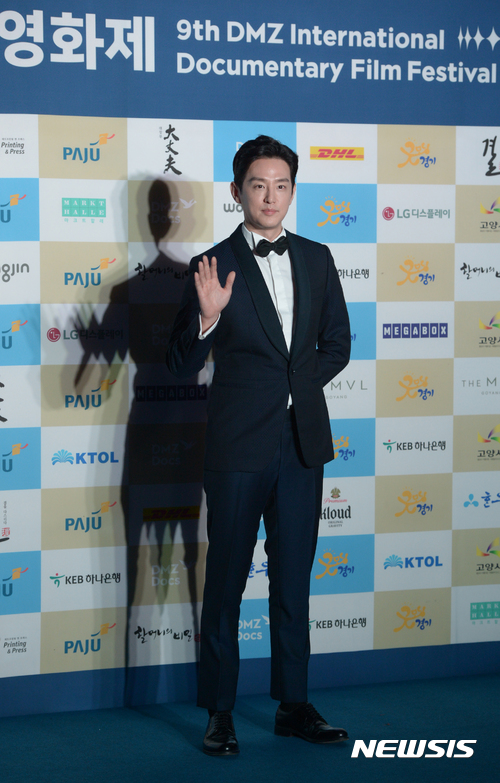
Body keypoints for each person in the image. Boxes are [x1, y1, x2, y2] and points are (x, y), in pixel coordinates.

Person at [166, 135, 351, 756]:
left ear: (293, 191)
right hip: (238, 448)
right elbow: (179, 362)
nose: (271, 197)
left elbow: (337, 344)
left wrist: (297, 387)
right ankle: (220, 713)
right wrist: (208, 317)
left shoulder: (318, 258)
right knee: (225, 584)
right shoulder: (211, 264)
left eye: (282, 185)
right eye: (258, 185)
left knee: (293, 582)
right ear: (236, 191)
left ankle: (293, 705)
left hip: (302, 446)